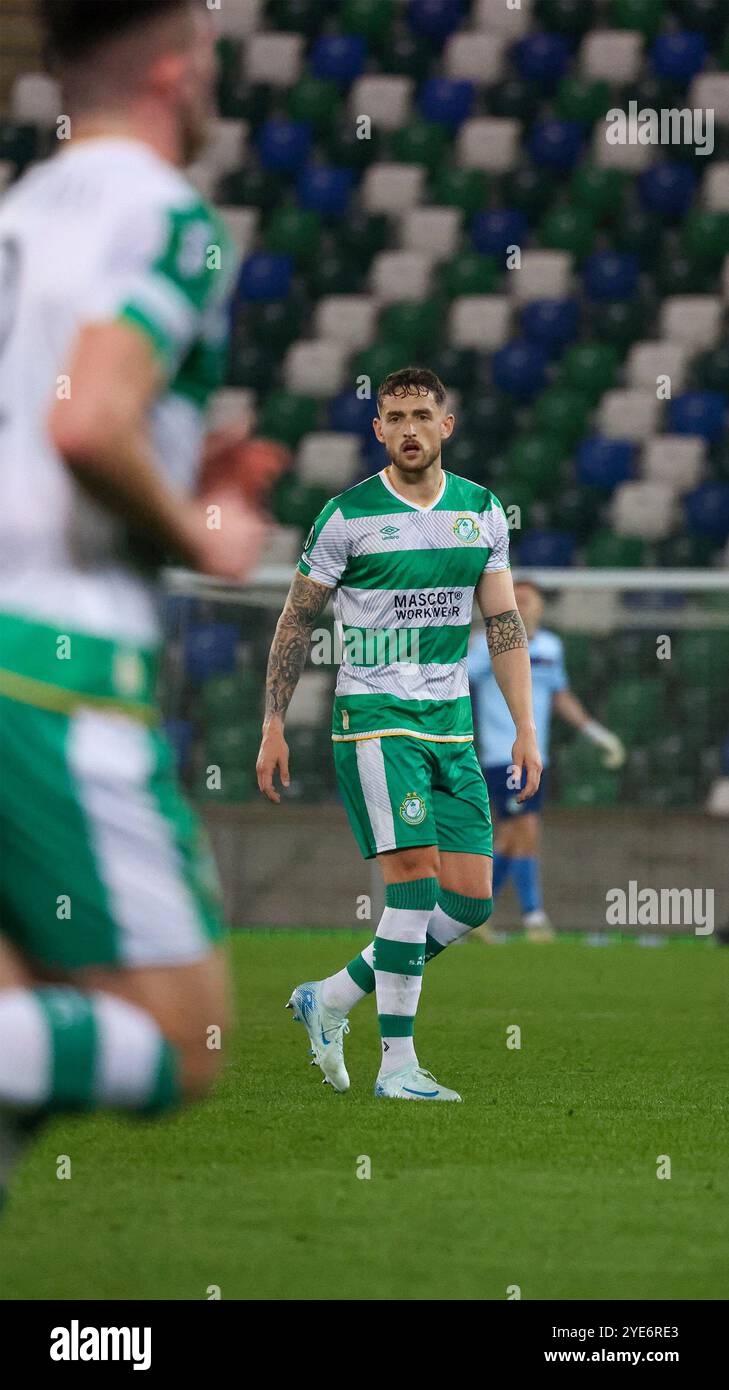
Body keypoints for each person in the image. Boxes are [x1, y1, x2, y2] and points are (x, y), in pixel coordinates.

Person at [0, 0, 264, 1203]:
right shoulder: (171, 219)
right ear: (173, 67)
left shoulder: (17, 218)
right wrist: (199, 530)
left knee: (30, 1019)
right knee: (183, 1035)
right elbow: (87, 419)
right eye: (207, 52)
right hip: (48, 665)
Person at [256, 367, 542, 1102]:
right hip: (375, 719)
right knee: (413, 883)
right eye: (394, 416)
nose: (409, 427)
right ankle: (397, 1066)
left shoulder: (481, 511)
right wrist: (272, 723)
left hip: (450, 726)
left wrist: (524, 726)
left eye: (421, 414)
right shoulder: (345, 516)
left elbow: (503, 625)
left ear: (445, 425)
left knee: (471, 899)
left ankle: (331, 998)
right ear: (376, 429)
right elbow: (296, 622)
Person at [468, 581, 625, 941]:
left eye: (527, 596)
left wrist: (597, 734)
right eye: (515, 596)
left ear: (540, 605)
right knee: (525, 830)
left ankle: (473, 912)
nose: (521, 601)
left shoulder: (551, 647)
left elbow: (560, 696)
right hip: (502, 753)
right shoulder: (488, 643)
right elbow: (461, 680)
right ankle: (533, 917)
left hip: (537, 754)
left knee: (512, 836)